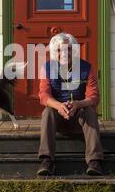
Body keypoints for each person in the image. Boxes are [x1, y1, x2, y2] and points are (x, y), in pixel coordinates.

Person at [37, 32, 104, 176]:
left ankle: (94, 161)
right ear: (55, 52)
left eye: (68, 49)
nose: (64, 53)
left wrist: (78, 104)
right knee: (47, 112)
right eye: (60, 50)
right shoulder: (47, 68)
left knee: (90, 111)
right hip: (58, 119)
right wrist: (59, 106)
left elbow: (94, 97)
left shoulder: (87, 68)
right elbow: (43, 95)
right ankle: (46, 160)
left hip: (79, 118)